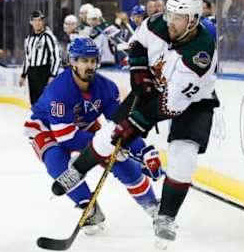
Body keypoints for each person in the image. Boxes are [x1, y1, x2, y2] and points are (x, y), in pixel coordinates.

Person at [51, 0, 219, 247]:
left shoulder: (200, 53)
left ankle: (166, 217)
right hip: (154, 87)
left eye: (179, 17)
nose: (170, 21)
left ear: (194, 20)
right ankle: (77, 171)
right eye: (170, 14)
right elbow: (138, 45)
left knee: (183, 155)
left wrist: (132, 126)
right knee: (109, 133)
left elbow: (168, 107)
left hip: (193, 103)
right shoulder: (156, 23)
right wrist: (139, 73)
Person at [24, 38, 163, 234]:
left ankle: (152, 206)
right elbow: (66, 137)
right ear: (72, 62)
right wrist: (110, 144)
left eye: (92, 60)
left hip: (84, 127)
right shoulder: (59, 90)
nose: (89, 65)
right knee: (57, 161)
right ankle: (88, 207)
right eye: (83, 60)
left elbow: (122, 125)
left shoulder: (107, 88)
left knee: (121, 162)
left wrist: (141, 149)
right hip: (46, 129)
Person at [20, 10, 62, 104]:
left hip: (44, 72)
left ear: (43, 22)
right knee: (34, 100)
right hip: (32, 73)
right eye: (35, 20)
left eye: (40, 20)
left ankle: (46, 118)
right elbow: (27, 58)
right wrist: (23, 75)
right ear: (31, 22)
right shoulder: (28, 39)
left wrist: (53, 75)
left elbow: (56, 57)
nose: (37, 23)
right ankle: (38, 118)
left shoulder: (48, 37)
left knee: (46, 100)